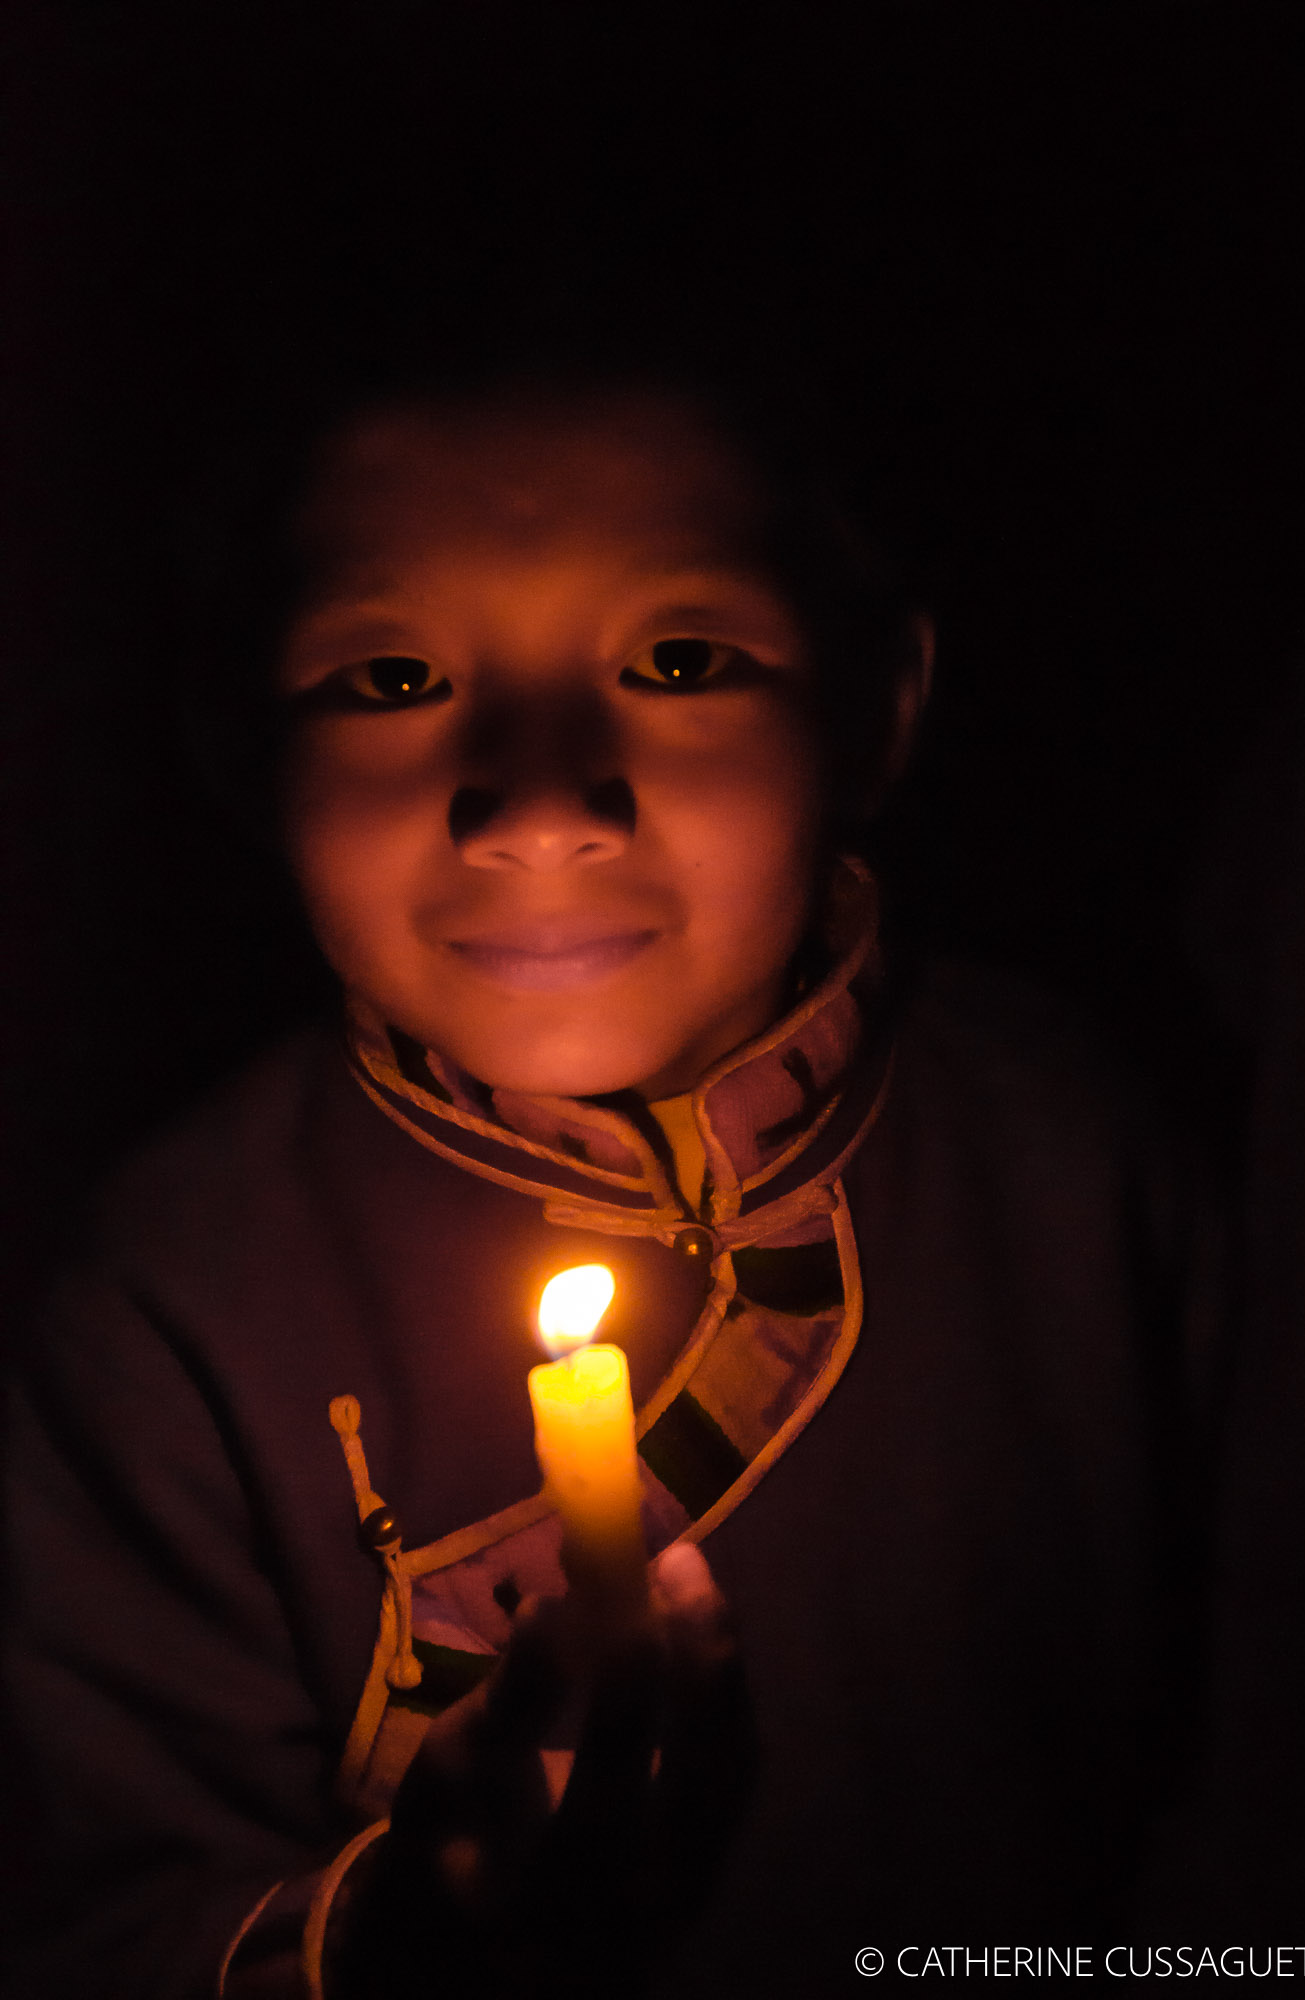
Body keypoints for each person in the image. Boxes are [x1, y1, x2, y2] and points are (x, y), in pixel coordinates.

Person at [2, 362, 1211, 1998]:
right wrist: (403, 1944)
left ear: (875, 711)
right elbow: (97, 1926)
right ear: (239, 754)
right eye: (392, 677)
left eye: (680, 661)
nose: (542, 803)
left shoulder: (1088, 1154)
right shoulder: (161, 1309)